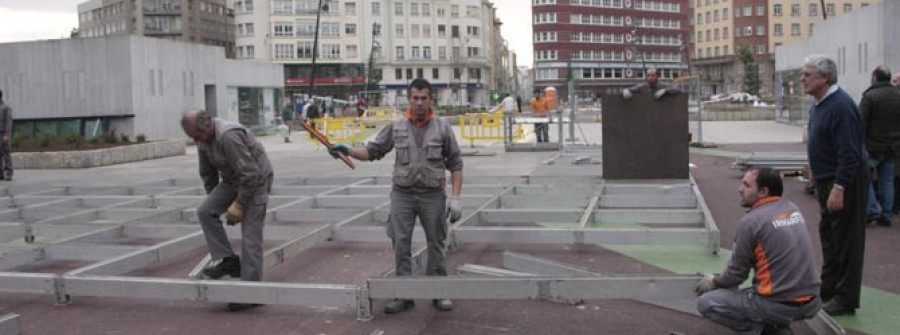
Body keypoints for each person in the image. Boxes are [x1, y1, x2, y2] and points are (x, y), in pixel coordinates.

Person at [328, 78, 464, 314]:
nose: (419, 103)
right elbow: (372, 151)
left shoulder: (443, 127)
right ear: (409, 99)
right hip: (403, 195)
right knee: (401, 243)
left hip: (433, 195)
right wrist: (347, 149)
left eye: (424, 98)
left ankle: (438, 291)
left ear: (431, 99)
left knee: (436, 243)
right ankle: (403, 294)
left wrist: (456, 198)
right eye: (415, 98)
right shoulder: (397, 126)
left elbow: (456, 164)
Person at [696, 167, 821, 335]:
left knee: (707, 303)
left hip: (777, 304)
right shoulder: (792, 209)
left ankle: (766, 330)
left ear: (763, 192)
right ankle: (778, 324)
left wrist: (713, 281)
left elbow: (735, 276)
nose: (740, 189)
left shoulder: (751, 222)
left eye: (746, 186)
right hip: (812, 302)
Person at [180, 109, 274, 312]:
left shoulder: (228, 136)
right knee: (205, 212)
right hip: (233, 180)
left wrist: (239, 205)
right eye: (192, 138)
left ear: (206, 126)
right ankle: (229, 260)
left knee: (250, 237)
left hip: (256, 181)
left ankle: (251, 293)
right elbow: (208, 174)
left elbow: (251, 174)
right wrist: (218, 204)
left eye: (196, 136)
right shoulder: (202, 139)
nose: (196, 141)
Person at [802, 55, 868, 316]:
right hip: (826, 178)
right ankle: (828, 288)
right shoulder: (819, 105)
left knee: (846, 239)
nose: (802, 78)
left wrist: (839, 187)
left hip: (844, 180)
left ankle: (846, 297)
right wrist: (814, 172)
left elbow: (850, 152)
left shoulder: (841, 106)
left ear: (824, 77)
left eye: (807, 74)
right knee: (829, 235)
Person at [861, 66, 900, 227]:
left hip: (873, 146)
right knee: (888, 181)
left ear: (875, 78)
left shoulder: (869, 97)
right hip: (893, 147)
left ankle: (871, 209)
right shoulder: (898, 95)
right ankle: (887, 214)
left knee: (865, 178)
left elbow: (861, 122)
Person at [0, 89, 12, 181]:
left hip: (3, 133)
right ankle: (0, 173)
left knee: (6, 152)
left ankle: (9, 172)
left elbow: (8, 122)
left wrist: (7, 134)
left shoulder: (6, 108)